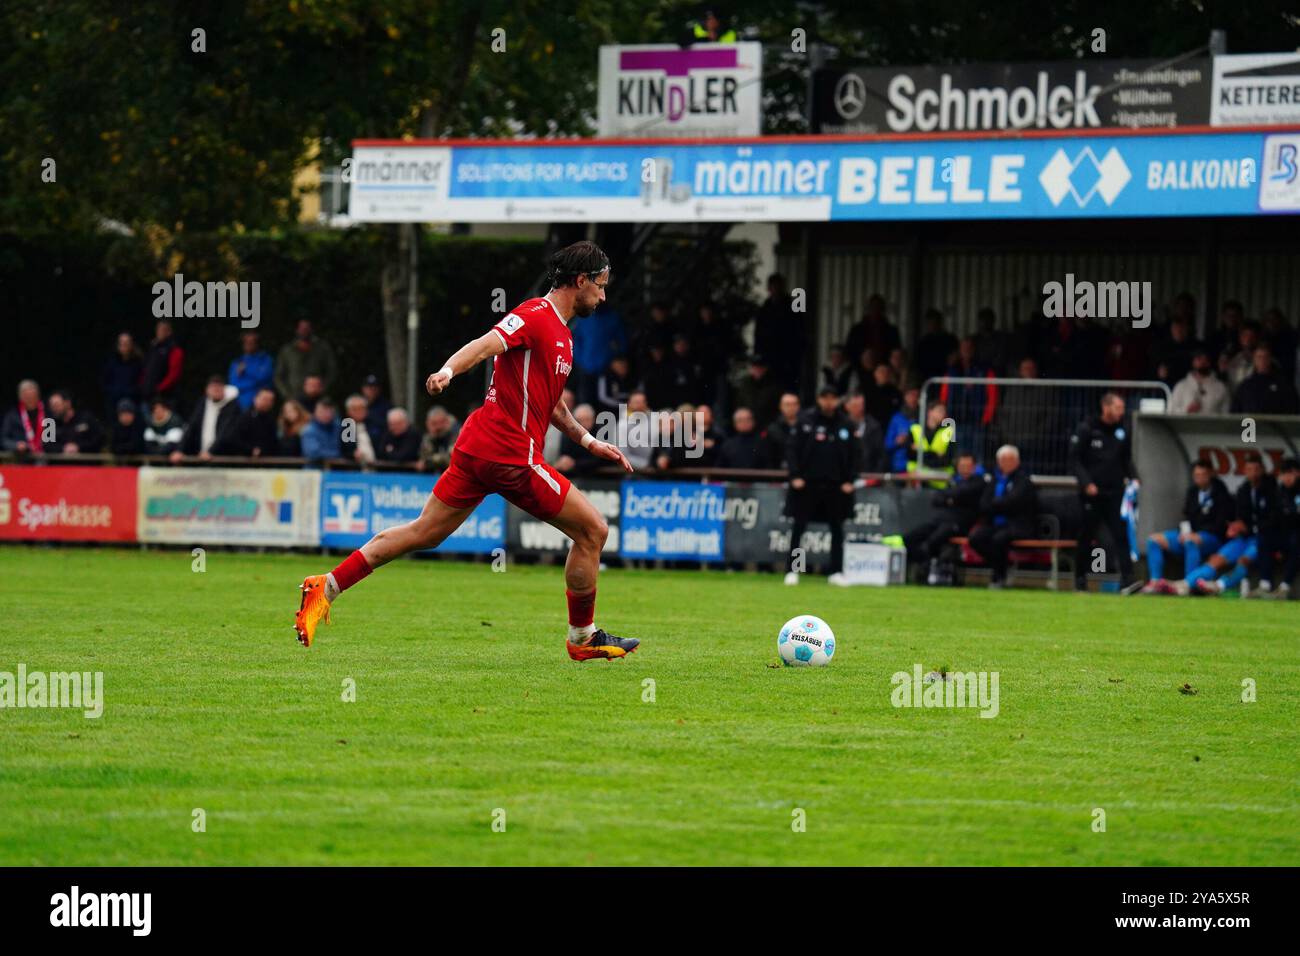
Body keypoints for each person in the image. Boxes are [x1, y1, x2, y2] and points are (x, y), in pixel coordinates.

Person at [292, 241, 639, 662]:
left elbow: (552, 403)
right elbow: (485, 343)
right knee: (593, 531)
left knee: (424, 532)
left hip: (480, 447)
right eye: (600, 287)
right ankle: (582, 637)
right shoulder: (534, 315)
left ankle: (325, 587)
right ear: (580, 281)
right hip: (509, 453)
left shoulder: (562, 334)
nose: (603, 296)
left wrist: (588, 441)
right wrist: (447, 371)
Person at [783, 386, 857, 587]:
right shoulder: (806, 421)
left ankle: (836, 571)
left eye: (833, 398)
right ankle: (793, 569)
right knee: (799, 528)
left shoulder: (846, 424)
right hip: (807, 485)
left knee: (837, 529)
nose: (829, 402)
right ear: (818, 399)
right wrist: (795, 476)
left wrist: (851, 479)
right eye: (825, 398)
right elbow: (792, 450)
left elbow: (856, 454)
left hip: (836, 486)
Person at [1069, 392, 1136, 593]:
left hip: (1115, 492)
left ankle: (1128, 580)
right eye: (1118, 408)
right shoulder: (1087, 428)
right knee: (1087, 536)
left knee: (1121, 535)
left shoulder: (1122, 431)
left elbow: (1126, 460)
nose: (1121, 412)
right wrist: (1086, 483)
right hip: (1092, 494)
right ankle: (1080, 579)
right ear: (1105, 407)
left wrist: (1134, 477)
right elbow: (1074, 460)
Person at [1186, 453, 1280, 596]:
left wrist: (1250, 527)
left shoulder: (1272, 490)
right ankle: (1186, 584)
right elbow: (1240, 517)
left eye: (1255, 469)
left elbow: (1275, 519)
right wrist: (1236, 526)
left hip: (1263, 539)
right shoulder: (1244, 490)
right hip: (1244, 537)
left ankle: (1218, 585)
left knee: (1244, 560)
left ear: (1262, 470)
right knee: (1217, 559)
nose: (1252, 473)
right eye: (1249, 469)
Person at [1141, 459, 1233, 594]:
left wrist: (1194, 535)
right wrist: (1186, 532)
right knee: (1154, 540)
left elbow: (1220, 524)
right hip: (1190, 534)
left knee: (1191, 541)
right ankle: (1155, 582)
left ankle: (1188, 585)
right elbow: (1187, 516)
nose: (1199, 478)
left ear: (1211, 474)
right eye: (1196, 475)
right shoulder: (1192, 491)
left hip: (1212, 537)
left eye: (1203, 475)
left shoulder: (1221, 492)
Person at [903, 452, 985, 585]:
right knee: (909, 538)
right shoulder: (953, 480)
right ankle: (925, 562)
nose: (964, 468)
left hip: (959, 523)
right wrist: (951, 498)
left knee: (934, 540)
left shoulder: (978, 482)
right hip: (940, 520)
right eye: (961, 465)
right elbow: (936, 498)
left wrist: (949, 498)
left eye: (967, 466)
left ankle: (931, 569)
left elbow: (961, 494)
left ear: (974, 467)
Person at [968, 445, 1039, 589]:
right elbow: (984, 503)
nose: (1005, 463)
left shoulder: (1023, 480)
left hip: (1019, 525)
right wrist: (998, 504)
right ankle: (1002, 566)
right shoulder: (995, 479)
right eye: (1002, 460)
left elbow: (1014, 502)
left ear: (1017, 461)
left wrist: (995, 504)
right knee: (976, 538)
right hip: (995, 523)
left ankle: (998, 575)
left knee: (999, 539)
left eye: (1009, 460)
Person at [172, 375, 241, 461]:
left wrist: (211, 452)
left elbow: (225, 432)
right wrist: (179, 450)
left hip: (223, 457)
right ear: (207, 390)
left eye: (218, 387)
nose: (216, 390)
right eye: (213, 387)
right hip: (202, 455)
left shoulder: (232, 406)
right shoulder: (203, 403)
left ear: (224, 389)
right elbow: (191, 427)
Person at [275, 320, 338, 399]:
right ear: (297, 330)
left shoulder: (323, 348)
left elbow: (332, 372)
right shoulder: (287, 351)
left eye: (307, 328)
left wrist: (323, 389)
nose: (304, 331)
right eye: (302, 328)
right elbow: (278, 376)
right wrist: (287, 395)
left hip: (318, 398)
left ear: (312, 329)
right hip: (294, 398)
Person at [1231, 342, 1300, 415]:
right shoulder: (1245, 386)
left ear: (1270, 359)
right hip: (1252, 425)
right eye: (1259, 357)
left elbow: (1293, 410)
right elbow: (1235, 413)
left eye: (1265, 357)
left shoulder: (1283, 384)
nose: (1262, 361)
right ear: (1254, 359)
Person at [906, 401, 955, 488]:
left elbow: (948, 459)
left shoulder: (949, 431)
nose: (943, 414)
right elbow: (910, 455)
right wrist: (936, 454)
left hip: (941, 482)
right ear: (930, 412)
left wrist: (922, 453)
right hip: (918, 481)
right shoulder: (915, 428)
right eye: (940, 411)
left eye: (944, 411)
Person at [140, 319, 184, 410]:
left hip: (165, 397)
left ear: (169, 332)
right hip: (148, 394)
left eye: (163, 330)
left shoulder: (174, 350)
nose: (160, 332)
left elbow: (174, 375)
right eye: (158, 329)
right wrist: (143, 385)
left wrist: (159, 389)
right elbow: (145, 369)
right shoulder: (152, 347)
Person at [1169, 349, 1230, 415]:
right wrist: (1186, 410)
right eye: (1199, 359)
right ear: (1193, 362)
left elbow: (1226, 413)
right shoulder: (1181, 386)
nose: (1202, 362)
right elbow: (1171, 410)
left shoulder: (1220, 387)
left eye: (1206, 359)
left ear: (1210, 362)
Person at [101, 332, 143, 419]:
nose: (124, 346)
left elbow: (142, 382)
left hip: (132, 401)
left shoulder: (138, 363)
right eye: (122, 343)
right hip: (113, 402)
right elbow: (104, 381)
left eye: (127, 343)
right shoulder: (111, 362)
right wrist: (112, 392)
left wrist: (132, 392)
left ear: (131, 345)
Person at [228, 332, 274, 410]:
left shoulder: (265, 359)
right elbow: (233, 383)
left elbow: (264, 378)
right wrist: (252, 380)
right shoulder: (237, 361)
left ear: (257, 343)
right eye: (246, 342)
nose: (249, 344)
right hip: (240, 404)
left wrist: (245, 374)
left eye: (252, 342)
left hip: (261, 403)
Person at [843, 391, 884, 473]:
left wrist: (875, 476)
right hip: (846, 476)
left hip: (869, 475)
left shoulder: (873, 426)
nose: (860, 408)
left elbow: (881, 455)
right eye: (856, 405)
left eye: (862, 405)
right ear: (847, 407)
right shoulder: (840, 425)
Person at [233, 387, 281, 458]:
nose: (267, 403)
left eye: (270, 400)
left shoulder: (272, 420)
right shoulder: (243, 418)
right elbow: (235, 440)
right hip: (245, 460)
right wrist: (251, 450)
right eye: (265, 399)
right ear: (255, 399)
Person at [762, 392, 801, 470]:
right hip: (779, 474)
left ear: (799, 406)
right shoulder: (773, 429)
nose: (791, 407)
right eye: (787, 404)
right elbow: (768, 456)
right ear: (781, 406)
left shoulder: (807, 427)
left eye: (794, 404)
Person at [885, 386, 920, 473]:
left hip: (917, 466)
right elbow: (887, 445)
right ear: (905, 396)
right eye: (911, 395)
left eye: (917, 395)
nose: (914, 398)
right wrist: (897, 442)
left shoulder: (922, 417)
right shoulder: (897, 418)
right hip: (899, 465)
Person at [417, 406, 460, 472]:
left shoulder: (457, 437)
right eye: (434, 423)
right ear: (427, 423)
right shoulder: (427, 438)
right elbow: (423, 459)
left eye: (441, 422)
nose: (438, 427)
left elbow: (451, 460)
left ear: (447, 422)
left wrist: (430, 461)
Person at [300, 397, 341, 461]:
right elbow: (313, 453)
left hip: (339, 469)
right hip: (315, 469)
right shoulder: (309, 430)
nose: (327, 415)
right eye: (322, 412)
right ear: (315, 412)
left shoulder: (339, 427)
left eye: (329, 412)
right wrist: (339, 454)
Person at [341, 394, 377, 465]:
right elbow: (346, 450)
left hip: (378, 465)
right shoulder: (347, 427)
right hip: (356, 467)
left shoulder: (374, 424)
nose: (358, 411)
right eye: (355, 409)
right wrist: (353, 454)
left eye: (361, 408)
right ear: (348, 412)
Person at [360, 375, 391, 445]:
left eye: (375, 387)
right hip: (359, 441)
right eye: (369, 387)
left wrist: (368, 416)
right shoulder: (357, 404)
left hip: (378, 442)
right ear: (363, 389)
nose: (372, 390)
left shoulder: (386, 406)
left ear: (379, 389)